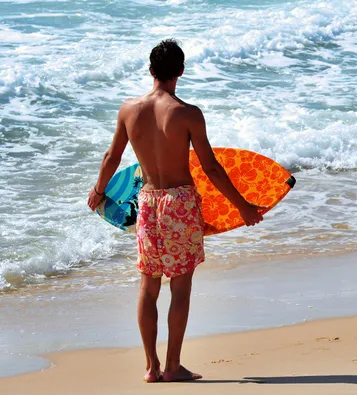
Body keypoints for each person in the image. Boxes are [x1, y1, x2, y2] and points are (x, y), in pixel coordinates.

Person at [87, 39, 265, 383]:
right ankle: (173, 366)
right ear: (180, 72)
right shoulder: (187, 114)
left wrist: (98, 191)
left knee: (148, 285)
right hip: (180, 204)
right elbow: (211, 168)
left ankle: (151, 367)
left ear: (151, 71)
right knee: (180, 286)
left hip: (148, 201)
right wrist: (242, 207)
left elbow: (112, 158)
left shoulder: (129, 110)